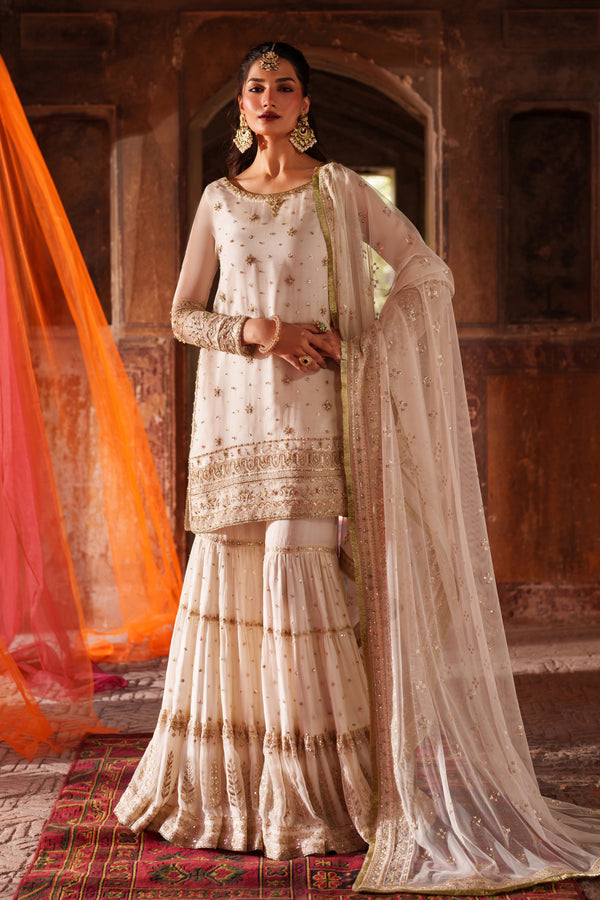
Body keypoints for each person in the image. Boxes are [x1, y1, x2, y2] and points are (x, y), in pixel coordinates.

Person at [115, 42, 600, 893]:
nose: (269, 96)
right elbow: (184, 313)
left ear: (306, 104)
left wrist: (360, 344)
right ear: (243, 104)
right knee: (232, 588)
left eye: (285, 85)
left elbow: (424, 273)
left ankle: (315, 798)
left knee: (294, 576)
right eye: (256, 85)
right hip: (233, 433)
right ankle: (229, 793)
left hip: (312, 426)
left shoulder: (339, 191)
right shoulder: (219, 199)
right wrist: (262, 333)